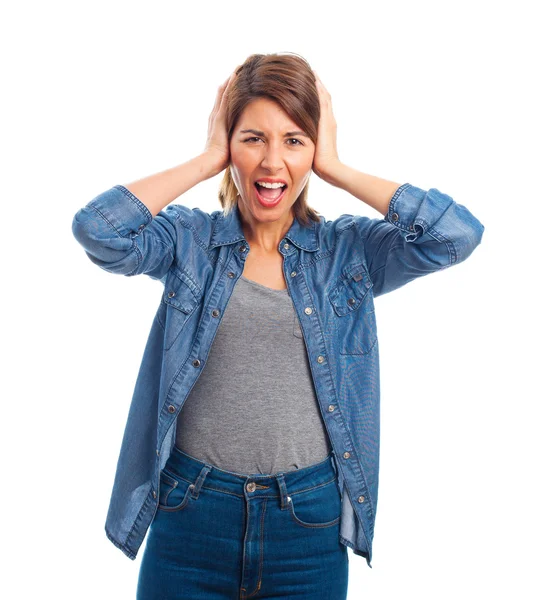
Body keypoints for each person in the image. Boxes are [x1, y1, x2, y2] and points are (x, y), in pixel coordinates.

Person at [71, 52, 485, 599]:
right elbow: (99, 231)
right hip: (189, 514)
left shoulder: (348, 253)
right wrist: (208, 158)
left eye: (294, 140)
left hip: (307, 527)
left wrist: (335, 166)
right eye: (252, 139)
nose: (272, 162)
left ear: (314, 147)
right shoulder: (191, 244)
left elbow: (456, 236)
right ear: (231, 146)